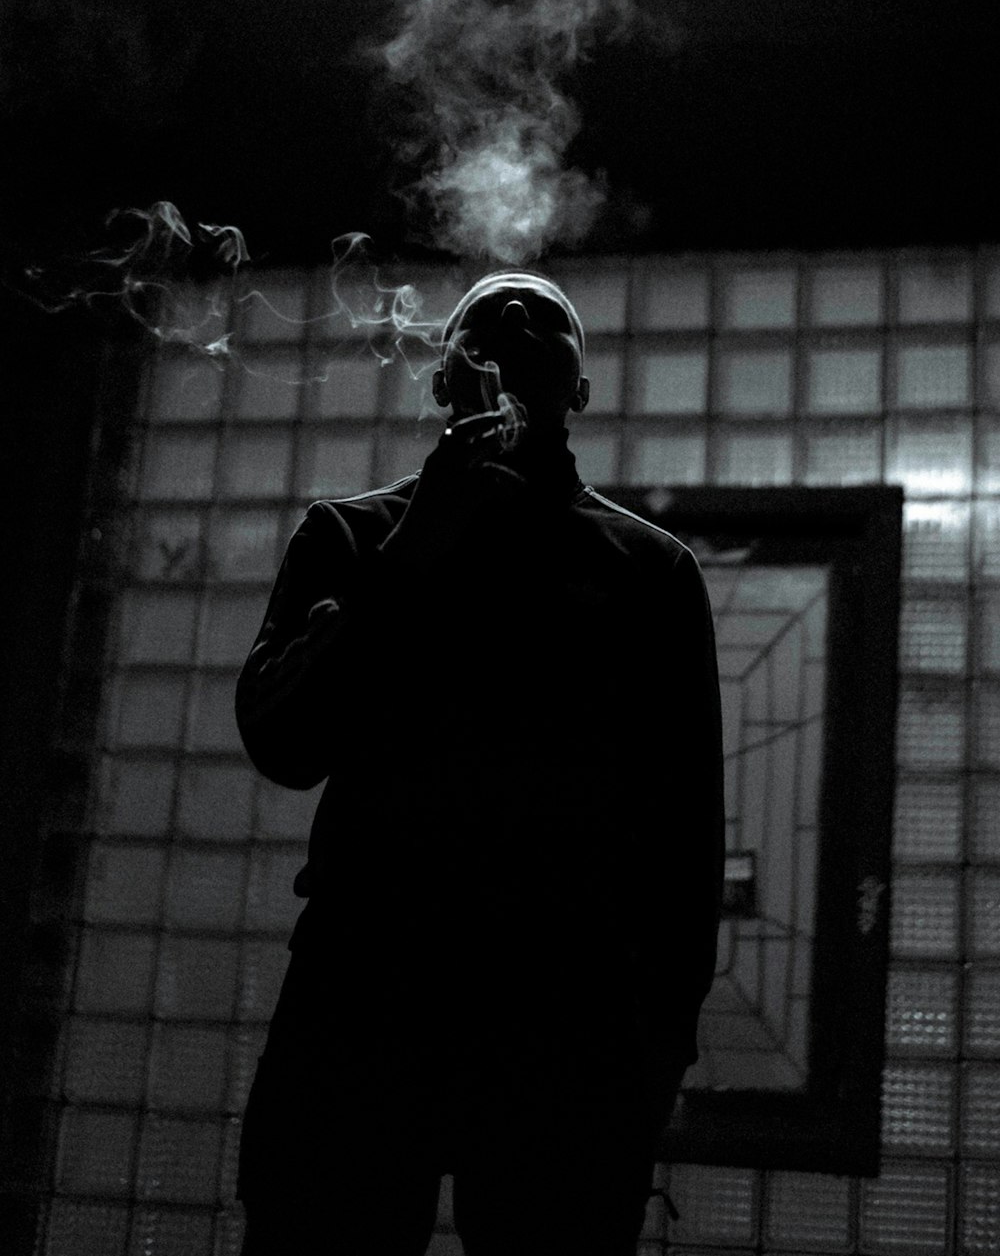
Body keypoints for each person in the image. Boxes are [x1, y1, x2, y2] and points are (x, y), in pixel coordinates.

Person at [234, 270, 724, 1256]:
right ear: (438, 378)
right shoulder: (352, 536)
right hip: (363, 995)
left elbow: (684, 837)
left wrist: (660, 1043)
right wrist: (419, 543)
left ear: (581, 390)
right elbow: (283, 741)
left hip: (567, 1020)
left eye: (550, 316)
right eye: (483, 314)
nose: (513, 314)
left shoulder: (651, 572)